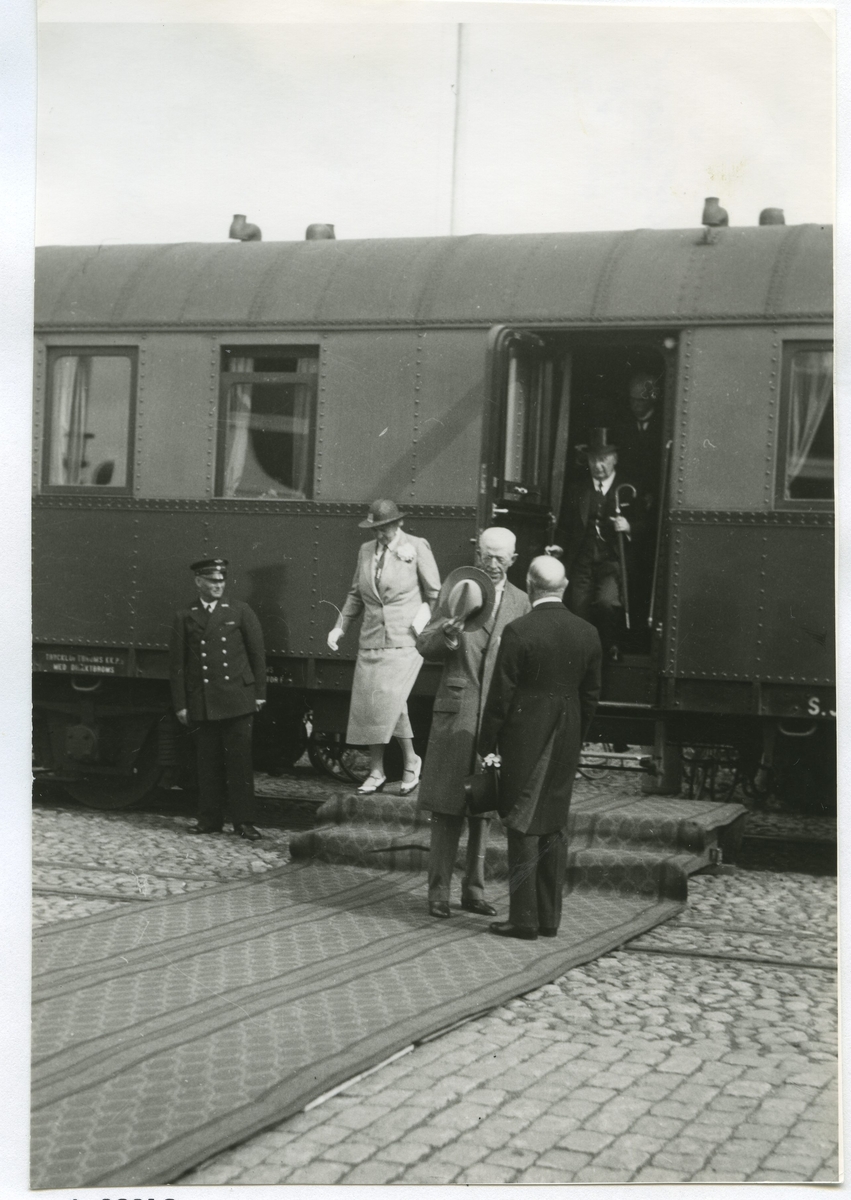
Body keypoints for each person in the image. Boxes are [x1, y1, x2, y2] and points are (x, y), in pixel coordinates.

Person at [478, 556, 602, 940]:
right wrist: (576, 734)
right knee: (553, 825)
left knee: (522, 822)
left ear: (530, 586)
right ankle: (549, 918)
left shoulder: (519, 631)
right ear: (563, 587)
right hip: (568, 734)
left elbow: (500, 696)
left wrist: (486, 743)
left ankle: (524, 919)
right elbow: (591, 696)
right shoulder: (588, 632)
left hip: (526, 736)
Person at [416, 527, 531, 919]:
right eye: (486, 555)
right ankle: (437, 893)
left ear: (513, 559)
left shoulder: (521, 602)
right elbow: (424, 643)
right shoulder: (459, 590)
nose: (492, 564)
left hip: (496, 720)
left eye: (500, 557)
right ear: (476, 553)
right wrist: (447, 638)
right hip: (457, 712)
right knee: (446, 808)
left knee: (484, 807)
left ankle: (474, 891)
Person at [327, 499, 440, 795]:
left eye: (384, 528)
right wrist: (339, 627)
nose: (380, 534)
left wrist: (426, 627)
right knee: (370, 703)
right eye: (375, 529)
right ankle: (376, 770)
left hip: (406, 640)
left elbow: (435, 594)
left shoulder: (417, 546)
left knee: (391, 698)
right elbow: (355, 595)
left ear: (399, 523)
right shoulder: (366, 550)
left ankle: (410, 760)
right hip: (371, 639)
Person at [169, 558, 266, 840]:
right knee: (207, 764)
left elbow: (257, 654)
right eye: (212, 581)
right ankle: (209, 820)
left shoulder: (240, 610)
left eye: (221, 581)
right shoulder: (185, 616)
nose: (218, 585)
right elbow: (177, 665)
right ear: (199, 582)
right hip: (203, 700)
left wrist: (259, 694)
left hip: (238, 698)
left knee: (240, 764)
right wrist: (181, 704)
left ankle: (244, 822)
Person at [550, 428, 641, 661]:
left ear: (614, 459)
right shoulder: (577, 488)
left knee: (607, 603)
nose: (598, 465)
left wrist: (629, 527)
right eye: (593, 460)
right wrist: (559, 546)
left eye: (603, 459)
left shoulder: (630, 489)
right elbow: (565, 525)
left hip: (612, 562)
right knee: (578, 606)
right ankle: (584, 656)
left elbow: (648, 524)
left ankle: (611, 646)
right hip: (582, 559)